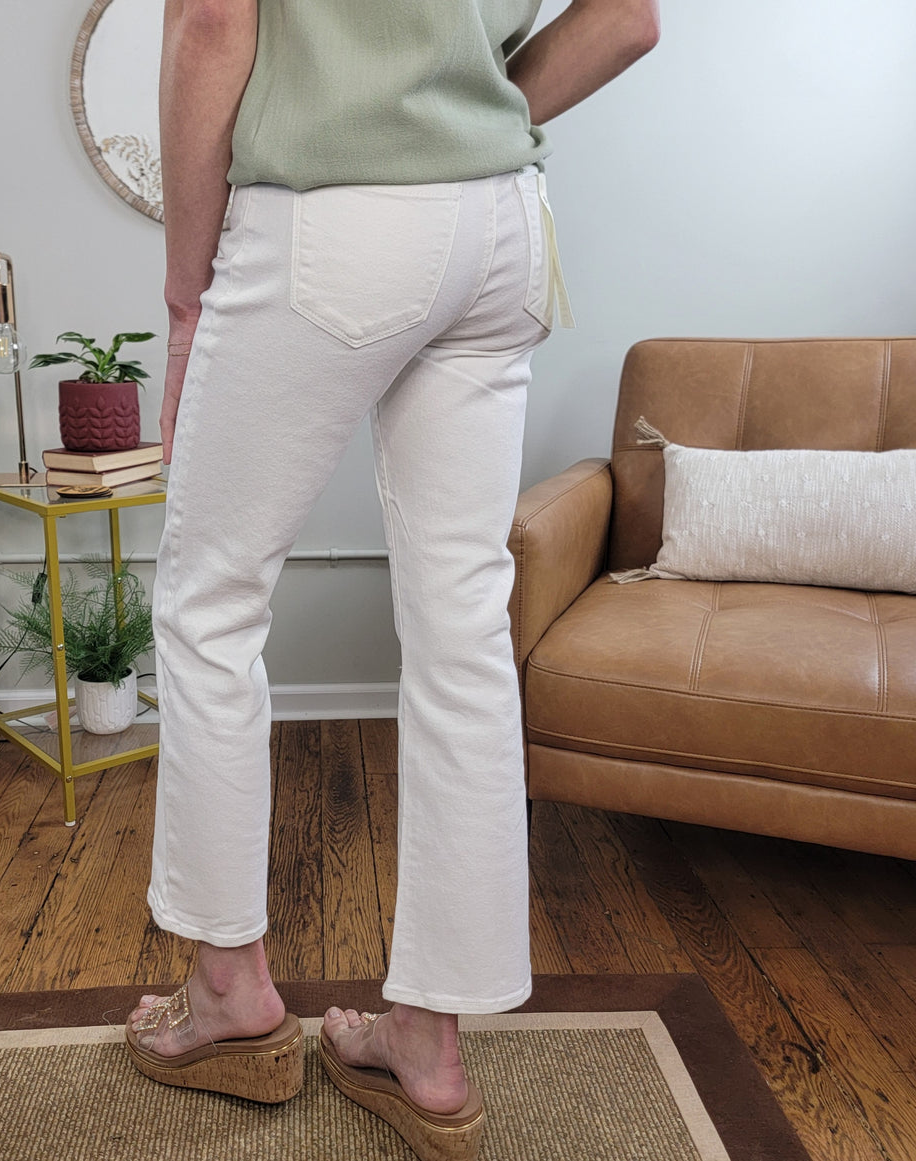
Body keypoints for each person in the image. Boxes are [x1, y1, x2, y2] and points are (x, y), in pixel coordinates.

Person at [126, 2, 659, 1158]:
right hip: (504, 224)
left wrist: (183, 294)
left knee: (211, 604)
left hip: (333, 218)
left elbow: (213, 17)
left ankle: (229, 996)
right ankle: (427, 1048)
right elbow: (630, 21)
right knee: (464, 633)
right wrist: (462, 115)